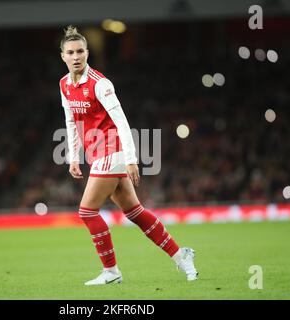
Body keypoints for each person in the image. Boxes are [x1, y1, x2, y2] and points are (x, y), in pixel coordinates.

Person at [59, 26, 198, 285]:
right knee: (135, 212)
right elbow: (70, 120)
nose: (76, 56)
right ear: (63, 56)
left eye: (80, 51)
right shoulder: (65, 85)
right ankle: (182, 255)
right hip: (95, 153)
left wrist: (132, 158)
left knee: (87, 212)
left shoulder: (100, 84)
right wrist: (73, 156)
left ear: (87, 53)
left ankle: (111, 271)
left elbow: (121, 121)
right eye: (71, 52)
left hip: (112, 151)